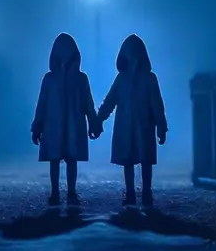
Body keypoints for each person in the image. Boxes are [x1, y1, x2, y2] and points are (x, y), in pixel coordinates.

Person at [95, 34, 168, 207]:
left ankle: (145, 191)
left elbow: (157, 104)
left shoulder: (147, 79)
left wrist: (161, 126)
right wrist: (98, 119)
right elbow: (111, 100)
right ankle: (131, 192)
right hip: (132, 126)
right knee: (131, 160)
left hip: (138, 126)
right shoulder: (125, 79)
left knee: (144, 160)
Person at [31, 33, 100, 207]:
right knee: (68, 159)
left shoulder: (53, 78)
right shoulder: (76, 78)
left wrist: (37, 126)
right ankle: (66, 192)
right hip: (68, 124)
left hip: (56, 124)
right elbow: (88, 104)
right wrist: (93, 122)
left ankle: (61, 192)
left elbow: (42, 104)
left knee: (62, 159)